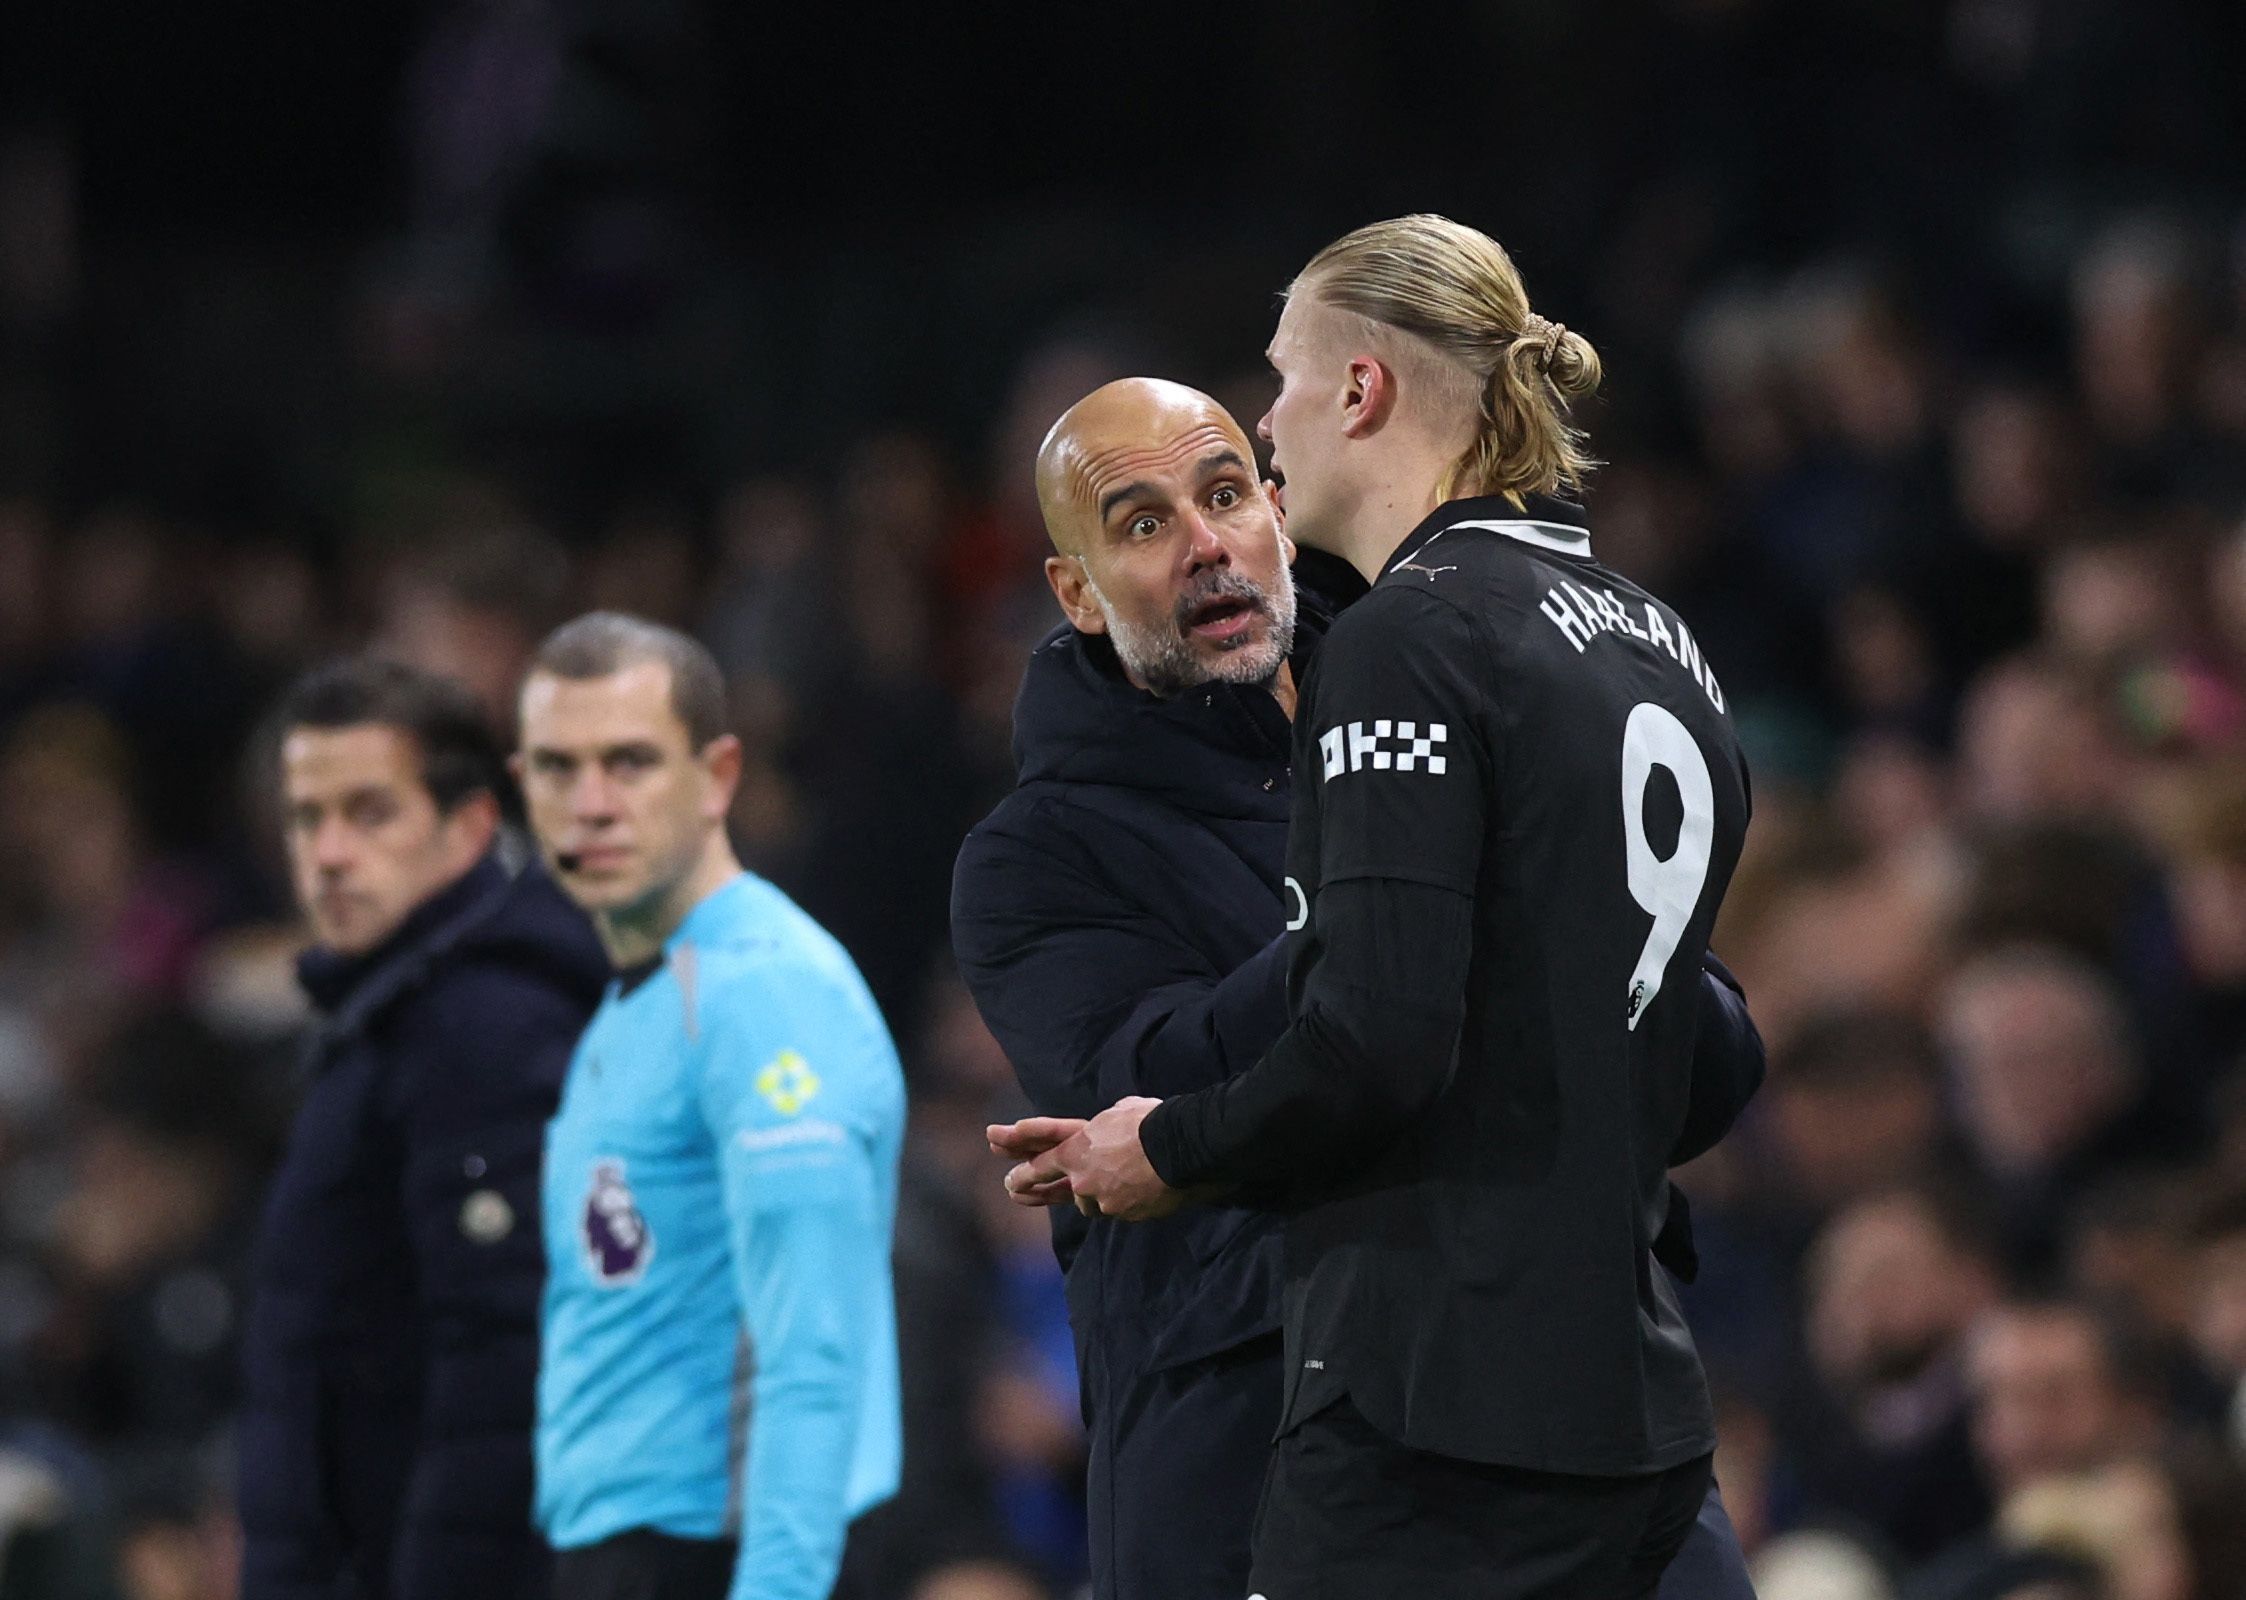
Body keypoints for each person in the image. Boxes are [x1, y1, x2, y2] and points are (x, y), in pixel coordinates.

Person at [998, 215, 1753, 1599]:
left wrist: (1455, 914)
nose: (1211, 541)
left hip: (1515, 1382)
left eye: (1230, 483)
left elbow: (1683, 1045)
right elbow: (1142, 1095)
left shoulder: (1439, 655)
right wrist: (1459, 915)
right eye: (1141, 524)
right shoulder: (1038, 856)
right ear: (1078, 593)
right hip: (1247, 1432)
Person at [515, 612, 905, 1600]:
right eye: (558, 768)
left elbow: (812, 1346)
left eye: (630, 761)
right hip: (628, 1548)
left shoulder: (762, 992)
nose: (590, 803)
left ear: (717, 776)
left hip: (721, 1552)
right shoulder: (636, 999)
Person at [239, 658, 609, 1600]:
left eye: (368, 813)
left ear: (470, 825)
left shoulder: (484, 1028)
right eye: (304, 817)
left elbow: (503, 1367)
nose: (327, 853)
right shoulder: (382, 1018)